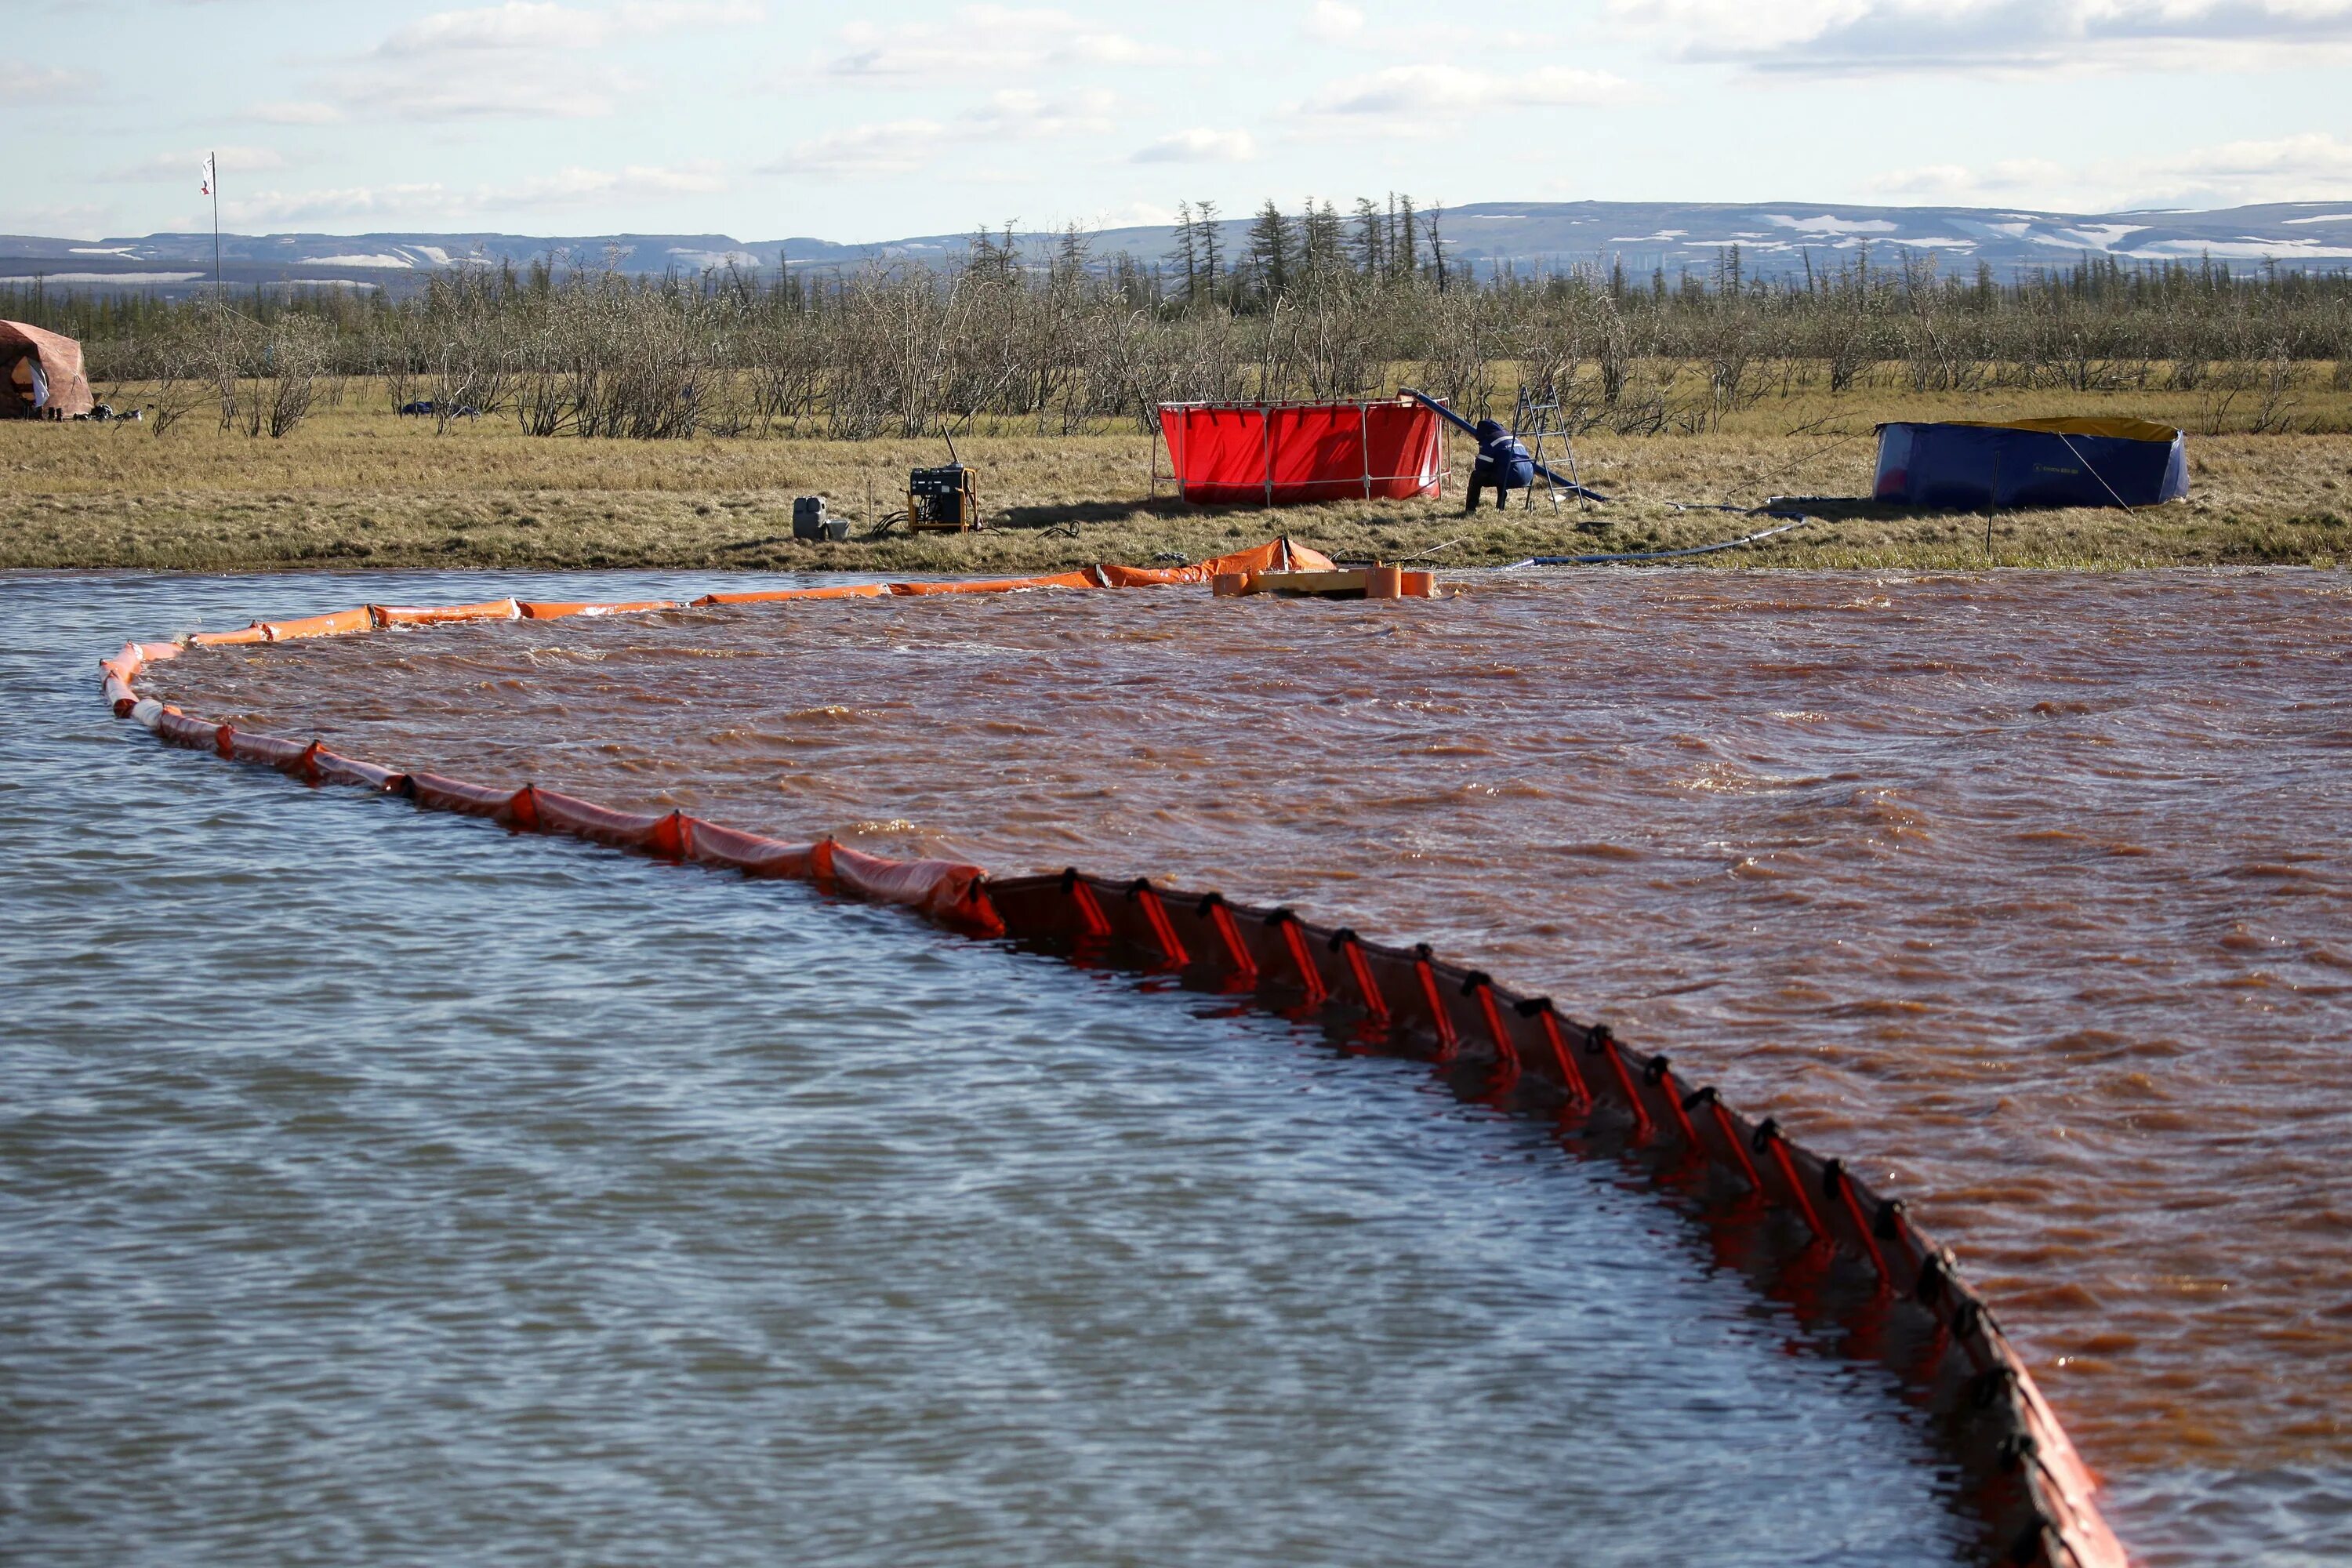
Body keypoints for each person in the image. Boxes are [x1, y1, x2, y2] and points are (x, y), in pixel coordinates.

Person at [1464, 418, 1534, 512]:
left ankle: (1470, 509)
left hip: (1511, 477)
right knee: (1502, 470)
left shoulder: (1490, 440)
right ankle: (1500, 507)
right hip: (1529, 476)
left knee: (1476, 476)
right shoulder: (1511, 437)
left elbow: (1481, 466)